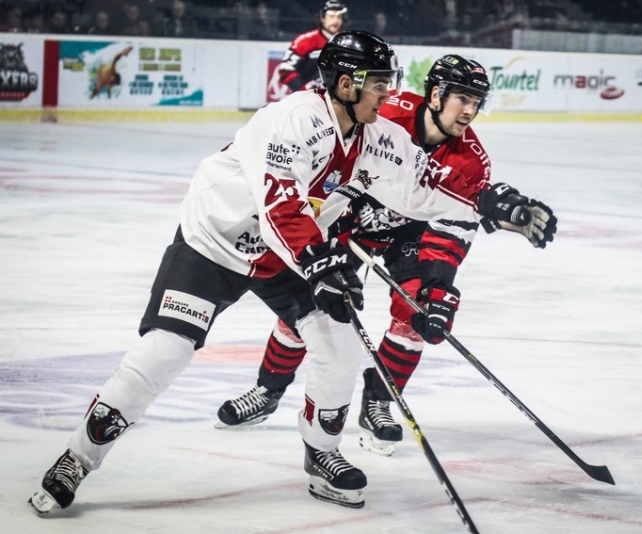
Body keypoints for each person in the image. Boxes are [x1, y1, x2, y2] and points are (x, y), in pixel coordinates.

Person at [28, 30, 449, 514]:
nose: (388, 93)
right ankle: (76, 459)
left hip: (287, 254)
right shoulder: (289, 119)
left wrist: (495, 203)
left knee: (340, 343)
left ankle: (323, 455)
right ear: (347, 84)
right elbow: (280, 204)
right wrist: (320, 262)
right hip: (216, 244)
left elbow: (426, 183)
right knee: (164, 352)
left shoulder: (377, 136)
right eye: (378, 83)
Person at [215, 55, 558, 457]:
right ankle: (268, 389)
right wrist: (338, 208)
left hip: (414, 233)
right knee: (312, 307)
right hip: (351, 222)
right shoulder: (386, 113)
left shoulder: (472, 161)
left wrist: (438, 284)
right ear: (436, 94)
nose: (470, 110)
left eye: (477, 101)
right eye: (462, 98)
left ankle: (378, 401)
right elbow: (331, 150)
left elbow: (453, 225)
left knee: (415, 314)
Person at [276, 0, 347, 95]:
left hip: (340, 100)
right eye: (331, 16)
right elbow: (286, 69)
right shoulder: (305, 41)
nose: (335, 20)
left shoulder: (349, 42)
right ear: (322, 18)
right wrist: (304, 89)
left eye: (339, 16)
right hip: (307, 101)